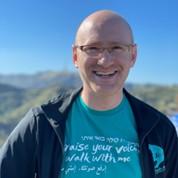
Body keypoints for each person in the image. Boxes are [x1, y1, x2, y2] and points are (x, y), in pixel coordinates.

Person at [0, 10, 178, 178]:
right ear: (75, 56)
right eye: (92, 48)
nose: (105, 61)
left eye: (116, 47)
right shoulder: (41, 123)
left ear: (133, 55)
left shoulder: (159, 129)